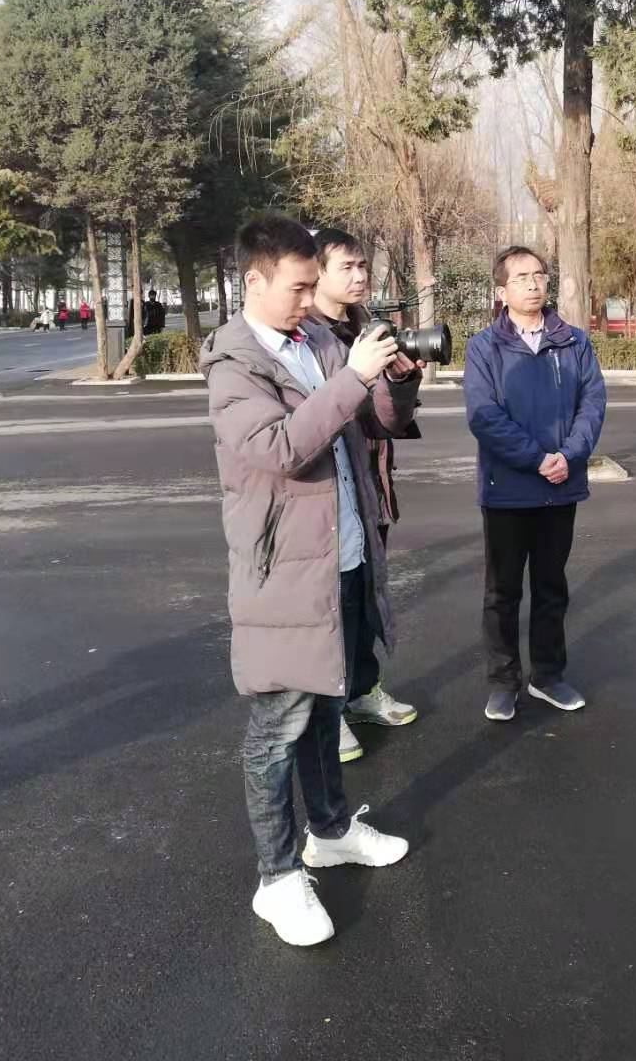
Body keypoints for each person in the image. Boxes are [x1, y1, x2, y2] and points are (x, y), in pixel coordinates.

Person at [199, 214, 423, 947]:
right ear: (254, 280)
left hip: (343, 554)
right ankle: (276, 878)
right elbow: (281, 448)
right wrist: (353, 377)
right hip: (283, 574)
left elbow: (376, 426)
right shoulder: (234, 365)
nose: (308, 300)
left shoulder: (317, 342)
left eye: (311, 286)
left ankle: (329, 831)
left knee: (327, 706)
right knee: (277, 729)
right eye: (298, 288)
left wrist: (395, 381)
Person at [463, 245, 607, 722]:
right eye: (521, 277)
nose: (533, 283)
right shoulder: (484, 347)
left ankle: (547, 676)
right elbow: (484, 417)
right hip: (507, 490)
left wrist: (569, 455)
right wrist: (537, 458)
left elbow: (592, 404)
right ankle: (503, 682)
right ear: (501, 291)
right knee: (502, 593)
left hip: (560, 486)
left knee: (551, 587)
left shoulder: (573, 342)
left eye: (539, 275)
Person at [312, 227, 422, 765]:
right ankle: (325, 712)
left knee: (361, 595)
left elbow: (387, 423)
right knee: (328, 607)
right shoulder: (306, 338)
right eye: (347, 267)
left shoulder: (366, 327)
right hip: (323, 494)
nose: (359, 276)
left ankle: (360, 690)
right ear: (314, 272)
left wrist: (403, 383)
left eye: (363, 266)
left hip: (368, 486)